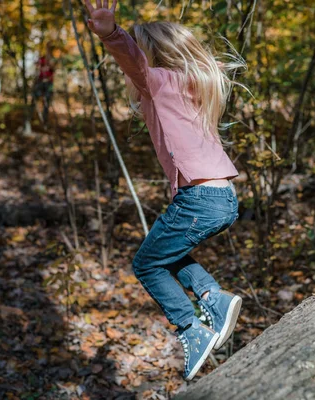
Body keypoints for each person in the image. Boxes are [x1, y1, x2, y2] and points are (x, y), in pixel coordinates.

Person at [85, 0, 246, 381]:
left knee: (145, 263)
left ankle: (191, 328)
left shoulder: (158, 81)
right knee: (165, 254)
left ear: (151, 54)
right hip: (221, 198)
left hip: (200, 199)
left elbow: (134, 62)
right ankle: (212, 297)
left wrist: (111, 34)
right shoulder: (193, 81)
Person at [30, 41, 56, 126]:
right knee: (35, 96)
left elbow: (53, 68)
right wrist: (40, 67)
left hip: (49, 83)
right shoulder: (42, 59)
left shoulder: (53, 59)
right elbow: (36, 65)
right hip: (40, 81)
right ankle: (31, 117)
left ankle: (44, 120)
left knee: (46, 101)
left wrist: (49, 67)